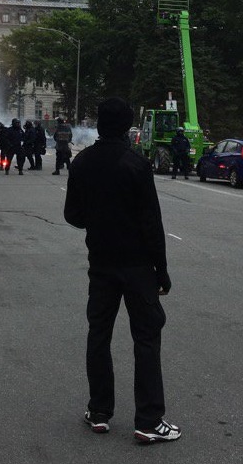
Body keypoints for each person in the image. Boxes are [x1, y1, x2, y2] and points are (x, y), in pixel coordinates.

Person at [64, 97, 180, 444]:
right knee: (146, 338)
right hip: (138, 265)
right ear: (127, 128)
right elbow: (152, 223)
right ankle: (148, 419)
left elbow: (72, 215)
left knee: (99, 334)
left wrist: (98, 220)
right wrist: (162, 270)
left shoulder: (82, 162)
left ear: (99, 124)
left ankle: (99, 411)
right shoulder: (137, 164)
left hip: (100, 263)